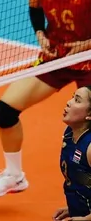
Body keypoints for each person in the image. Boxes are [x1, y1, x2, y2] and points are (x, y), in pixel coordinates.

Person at [0, 0, 91, 197]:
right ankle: (14, 176)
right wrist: (40, 34)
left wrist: (86, 45)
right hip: (56, 58)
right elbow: (36, 11)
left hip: (87, 60)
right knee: (5, 109)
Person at [53, 85, 91, 221]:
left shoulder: (89, 147)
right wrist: (74, 209)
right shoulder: (70, 133)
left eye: (77, 100)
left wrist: (86, 218)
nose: (69, 102)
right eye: (72, 97)